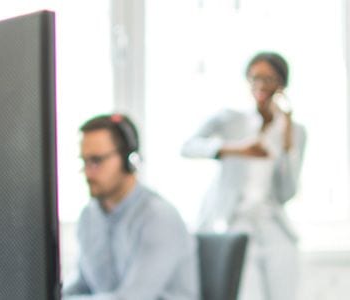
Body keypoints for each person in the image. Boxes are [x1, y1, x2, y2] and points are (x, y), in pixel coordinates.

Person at [181, 52, 306, 300]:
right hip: (234, 221)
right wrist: (236, 149)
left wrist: (287, 136)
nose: (260, 86)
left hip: (272, 225)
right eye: (255, 78)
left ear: (281, 84)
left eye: (268, 79)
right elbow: (188, 147)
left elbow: (287, 192)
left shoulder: (295, 131)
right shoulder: (230, 119)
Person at [63, 114, 199, 300]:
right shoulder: (89, 215)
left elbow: (132, 298)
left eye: (96, 161)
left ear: (129, 160)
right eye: (84, 161)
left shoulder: (158, 218)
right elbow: (83, 285)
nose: (88, 173)